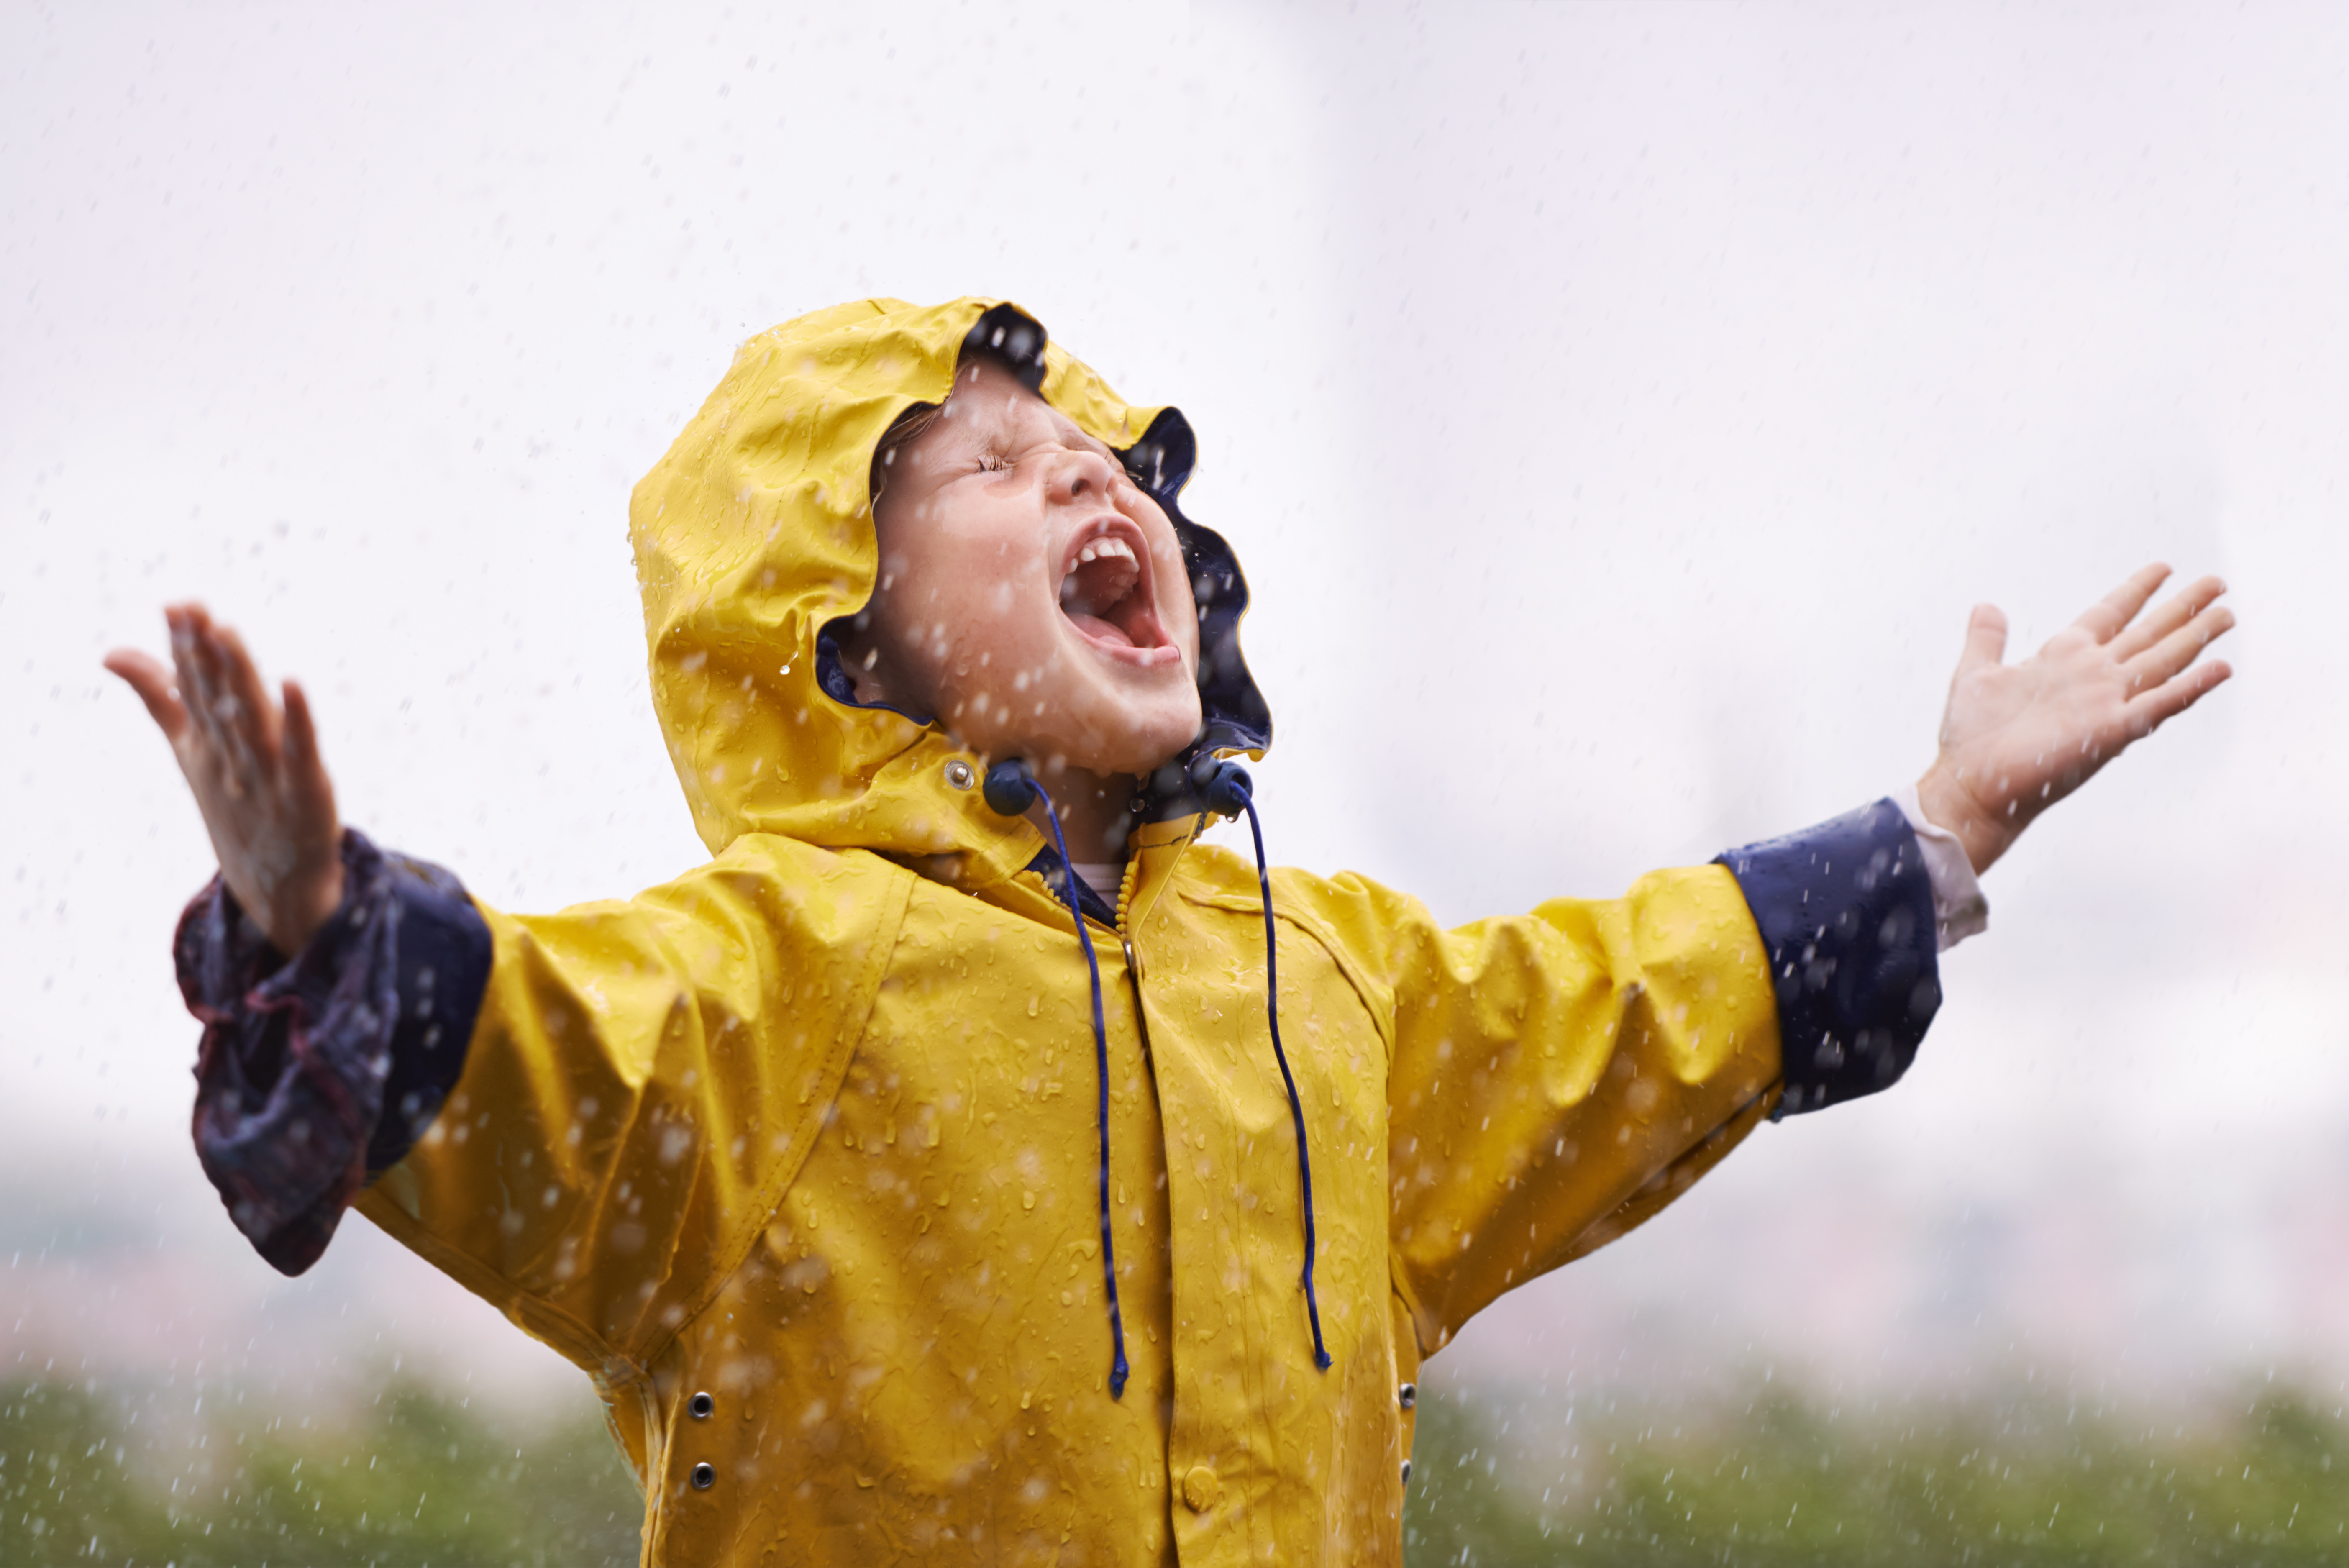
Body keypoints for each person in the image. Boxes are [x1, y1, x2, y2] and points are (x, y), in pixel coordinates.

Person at [106, 297, 2234, 1566]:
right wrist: (317, 927)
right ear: (839, 638)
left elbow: (1627, 1001)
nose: (1086, 480)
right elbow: (532, 1048)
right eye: (990, 469)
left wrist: (1943, 824)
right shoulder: (777, 984)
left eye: (1099, 456)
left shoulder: (1327, 987)